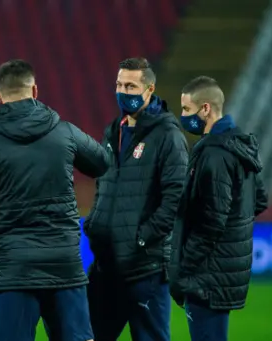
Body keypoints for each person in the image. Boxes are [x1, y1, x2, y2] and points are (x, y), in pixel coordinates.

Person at [0, 59, 109, 341]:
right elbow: (101, 163)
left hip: (13, 266)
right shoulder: (64, 131)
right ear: (35, 90)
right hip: (64, 263)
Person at [83, 57, 189, 341]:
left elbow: (175, 198)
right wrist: (95, 223)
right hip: (106, 266)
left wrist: (142, 239)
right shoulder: (113, 131)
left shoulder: (168, 136)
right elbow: (105, 185)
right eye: (119, 84)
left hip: (145, 269)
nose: (123, 91)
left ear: (149, 89)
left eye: (131, 86)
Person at [170, 76, 268, 341]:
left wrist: (185, 265)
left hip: (206, 277)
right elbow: (258, 200)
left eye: (187, 109)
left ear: (205, 109)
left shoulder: (215, 154)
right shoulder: (239, 146)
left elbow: (213, 220)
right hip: (222, 271)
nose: (183, 116)